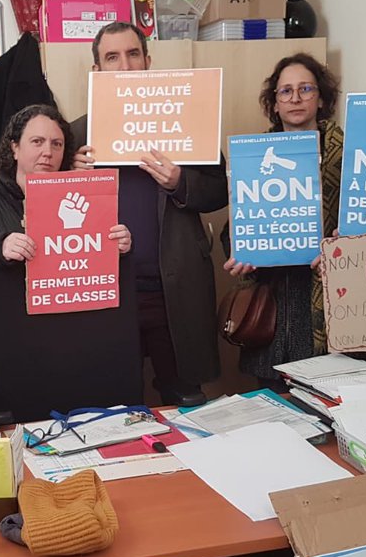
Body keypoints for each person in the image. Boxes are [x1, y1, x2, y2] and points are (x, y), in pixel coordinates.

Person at [71, 22, 228, 405]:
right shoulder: (75, 135)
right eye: (112, 57)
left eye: (132, 54)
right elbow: (42, 206)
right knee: (108, 397)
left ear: (148, 61)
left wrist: (180, 182)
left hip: (170, 288)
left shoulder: (186, 117)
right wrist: (72, 179)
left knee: (185, 397)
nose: (124, 66)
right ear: (97, 71)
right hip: (104, 291)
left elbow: (220, 191)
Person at [0, 105, 131, 389]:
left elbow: (100, 269)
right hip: (5, 343)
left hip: (73, 342)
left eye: (56, 144)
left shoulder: (85, 195)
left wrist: (120, 245)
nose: (48, 151)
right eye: (37, 141)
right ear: (15, 148)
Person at [221, 53, 343, 388]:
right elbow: (234, 226)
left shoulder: (348, 154)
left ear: (321, 99)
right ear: (274, 104)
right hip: (272, 306)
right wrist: (239, 252)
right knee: (273, 408)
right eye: (285, 91)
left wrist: (340, 248)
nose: (296, 98)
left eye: (306, 89)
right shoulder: (255, 156)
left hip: (328, 305)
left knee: (326, 405)